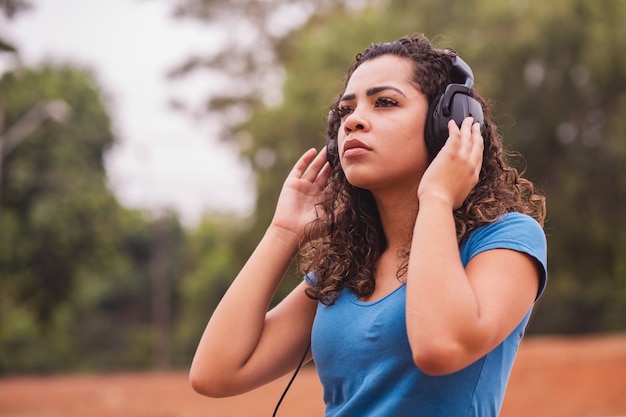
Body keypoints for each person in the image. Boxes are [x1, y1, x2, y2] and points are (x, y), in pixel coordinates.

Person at [189, 33, 547, 417]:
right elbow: (216, 373)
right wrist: (284, 233)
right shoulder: (346, 267)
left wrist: (438, 198)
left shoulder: (506, 238)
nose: (354, 121)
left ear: (448, 124)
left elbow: (440, 347)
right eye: (345, 111)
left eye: (385, 103)